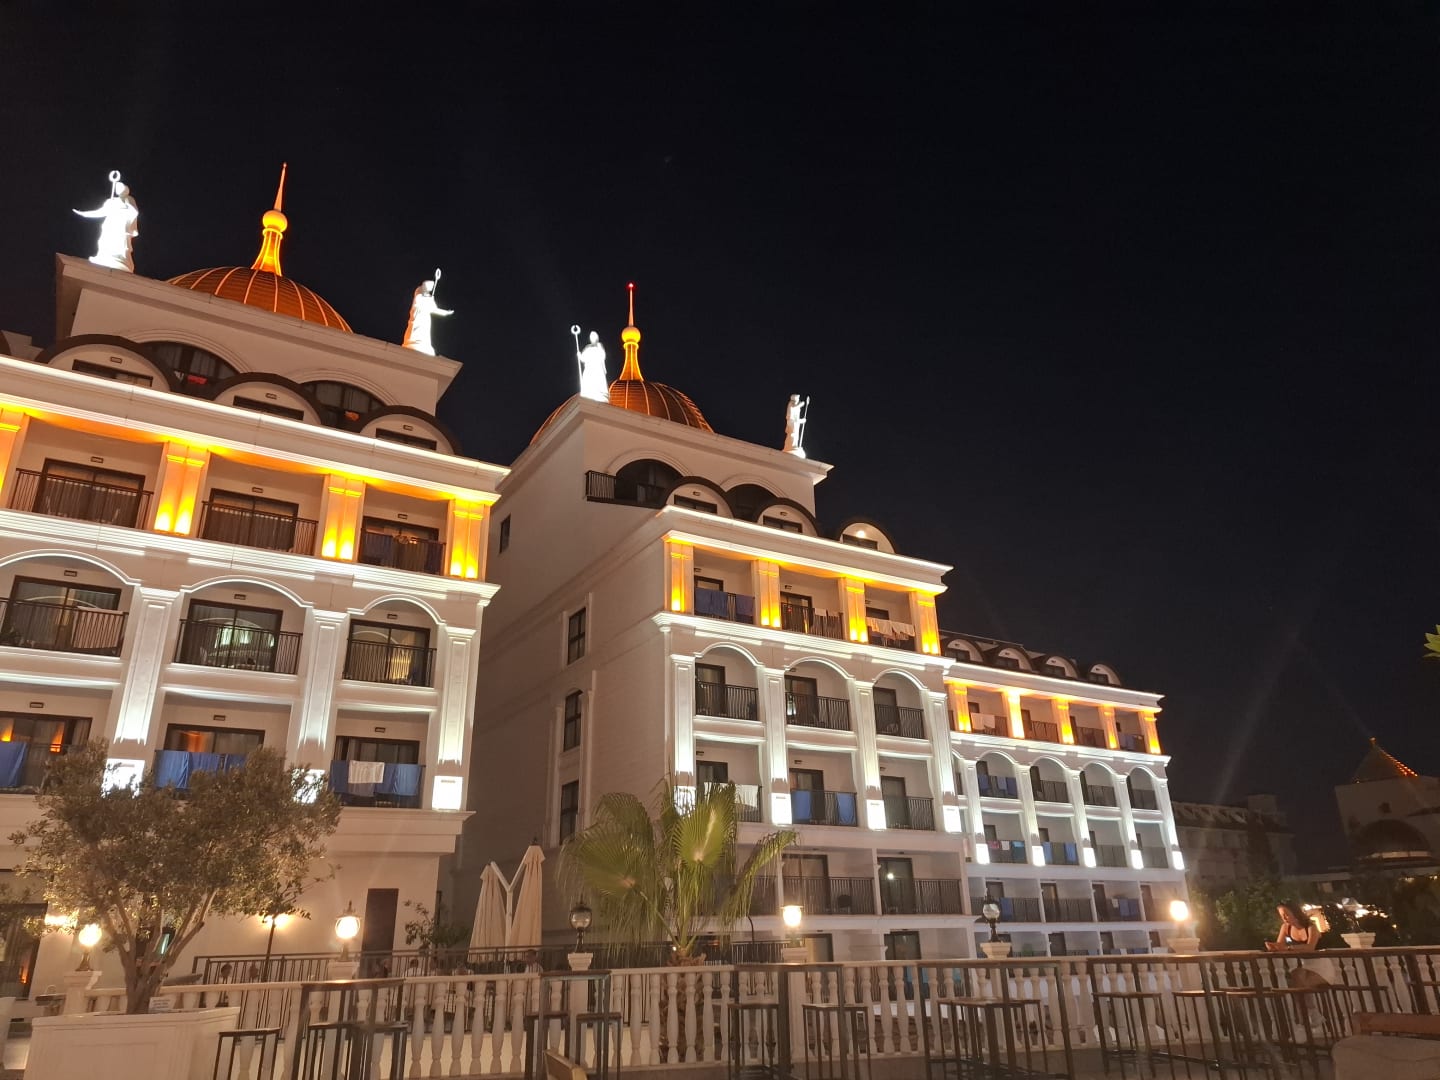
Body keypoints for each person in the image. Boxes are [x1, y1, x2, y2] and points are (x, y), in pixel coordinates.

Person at [74, 174, 140, 272]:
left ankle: (119, 258)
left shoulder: (129, 199)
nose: (119, 190)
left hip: (120, 225)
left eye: (121, 188)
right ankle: (105, 255)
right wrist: (85, 214)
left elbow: (134, 212)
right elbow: (100, 212)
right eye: (118, 188)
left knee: (119, 241)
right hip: (110, 223)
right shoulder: (111, 201)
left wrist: (125, 204)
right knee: (105, 239)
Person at [402, 279, 454, 355]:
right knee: (416, 329)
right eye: (430, 286)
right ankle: (414, 342)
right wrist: (428, 299)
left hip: (425, 318)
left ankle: (423, 343)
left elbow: (434, 309)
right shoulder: (419, 291)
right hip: (418, 316)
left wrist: (445, 313)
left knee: (424, 330)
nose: (431, 288)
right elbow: (418, 300)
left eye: (432, 287)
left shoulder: (429, 296)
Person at [577, 330, 608, 401]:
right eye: (591, 336)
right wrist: (579, 355)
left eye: (594, 336)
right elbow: (583, 359)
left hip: (597, 367)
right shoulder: (587, 347)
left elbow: (603, 356)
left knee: (598, 379)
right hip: (589, 367)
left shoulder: (599, 345)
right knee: (588, 380)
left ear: (596, 338)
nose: (592, 338)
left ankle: (600, 394)